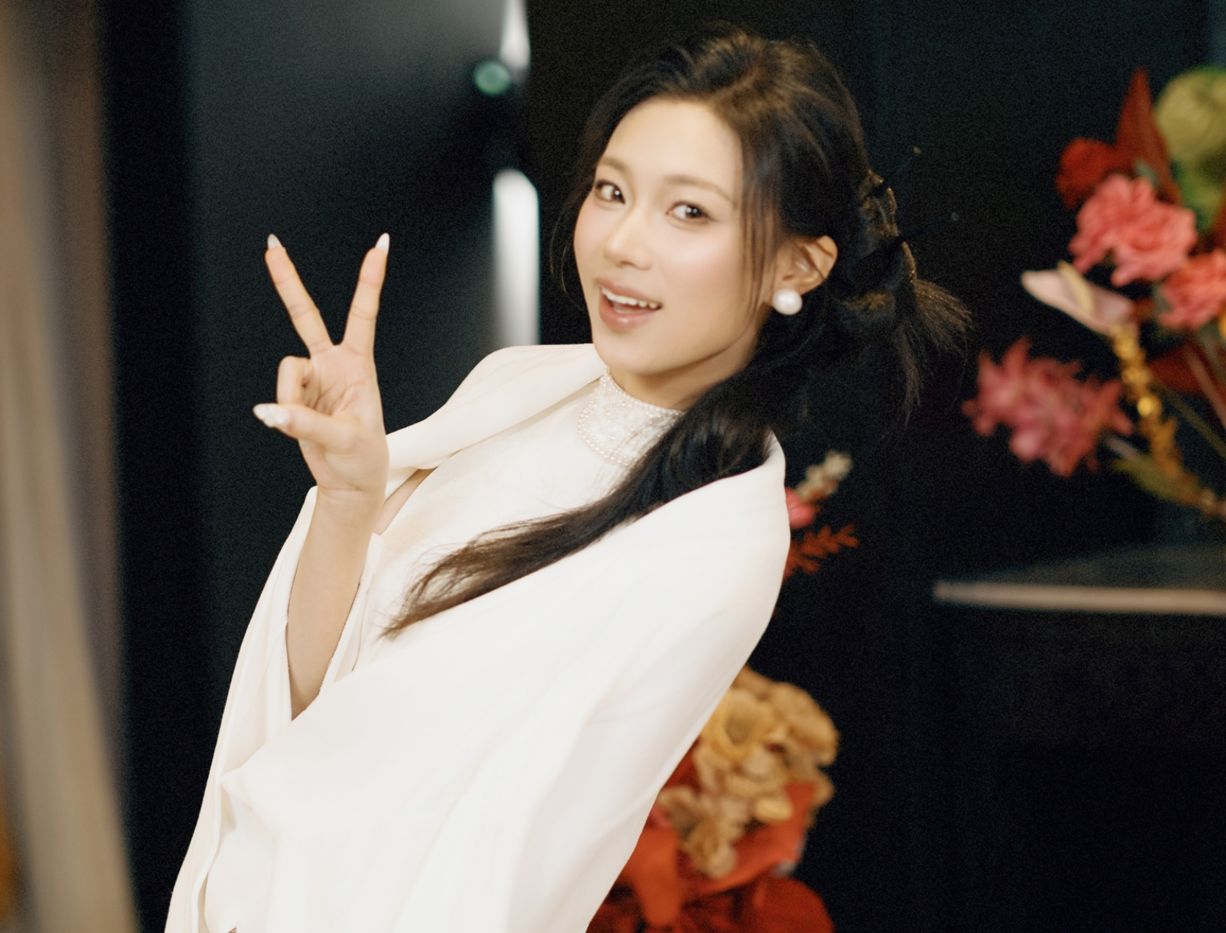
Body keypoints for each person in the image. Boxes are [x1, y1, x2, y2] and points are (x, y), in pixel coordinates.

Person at [167, 25, 964, 933]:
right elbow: (312, 711)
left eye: (689, 212)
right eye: (612, 190)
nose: (622, 242)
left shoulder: (710, 543)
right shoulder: (518, 385)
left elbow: (503, 860)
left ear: (798, 264)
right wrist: (350, 500)